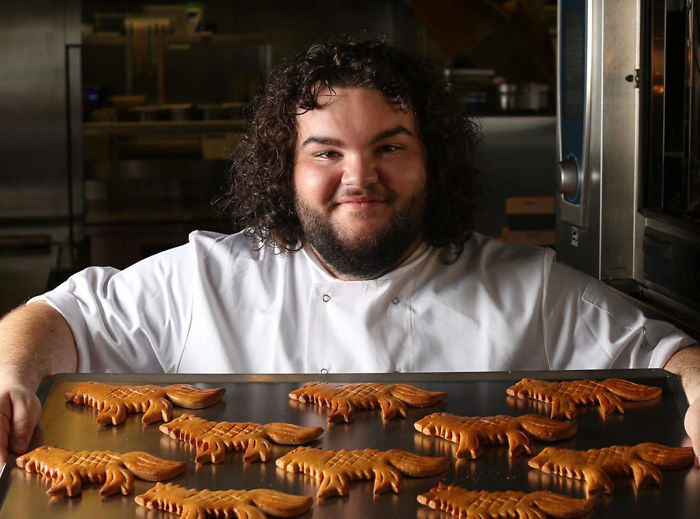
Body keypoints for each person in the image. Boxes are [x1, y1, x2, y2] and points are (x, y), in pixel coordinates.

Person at [0, 38, 698, 467]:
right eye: (326, 152)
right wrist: (10, 379)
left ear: (433, 161)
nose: (360, 177)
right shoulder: (206, 278)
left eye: (389, 146)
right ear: (285, 169)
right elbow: (58, 318)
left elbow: (667, 358)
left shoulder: (526, 287)